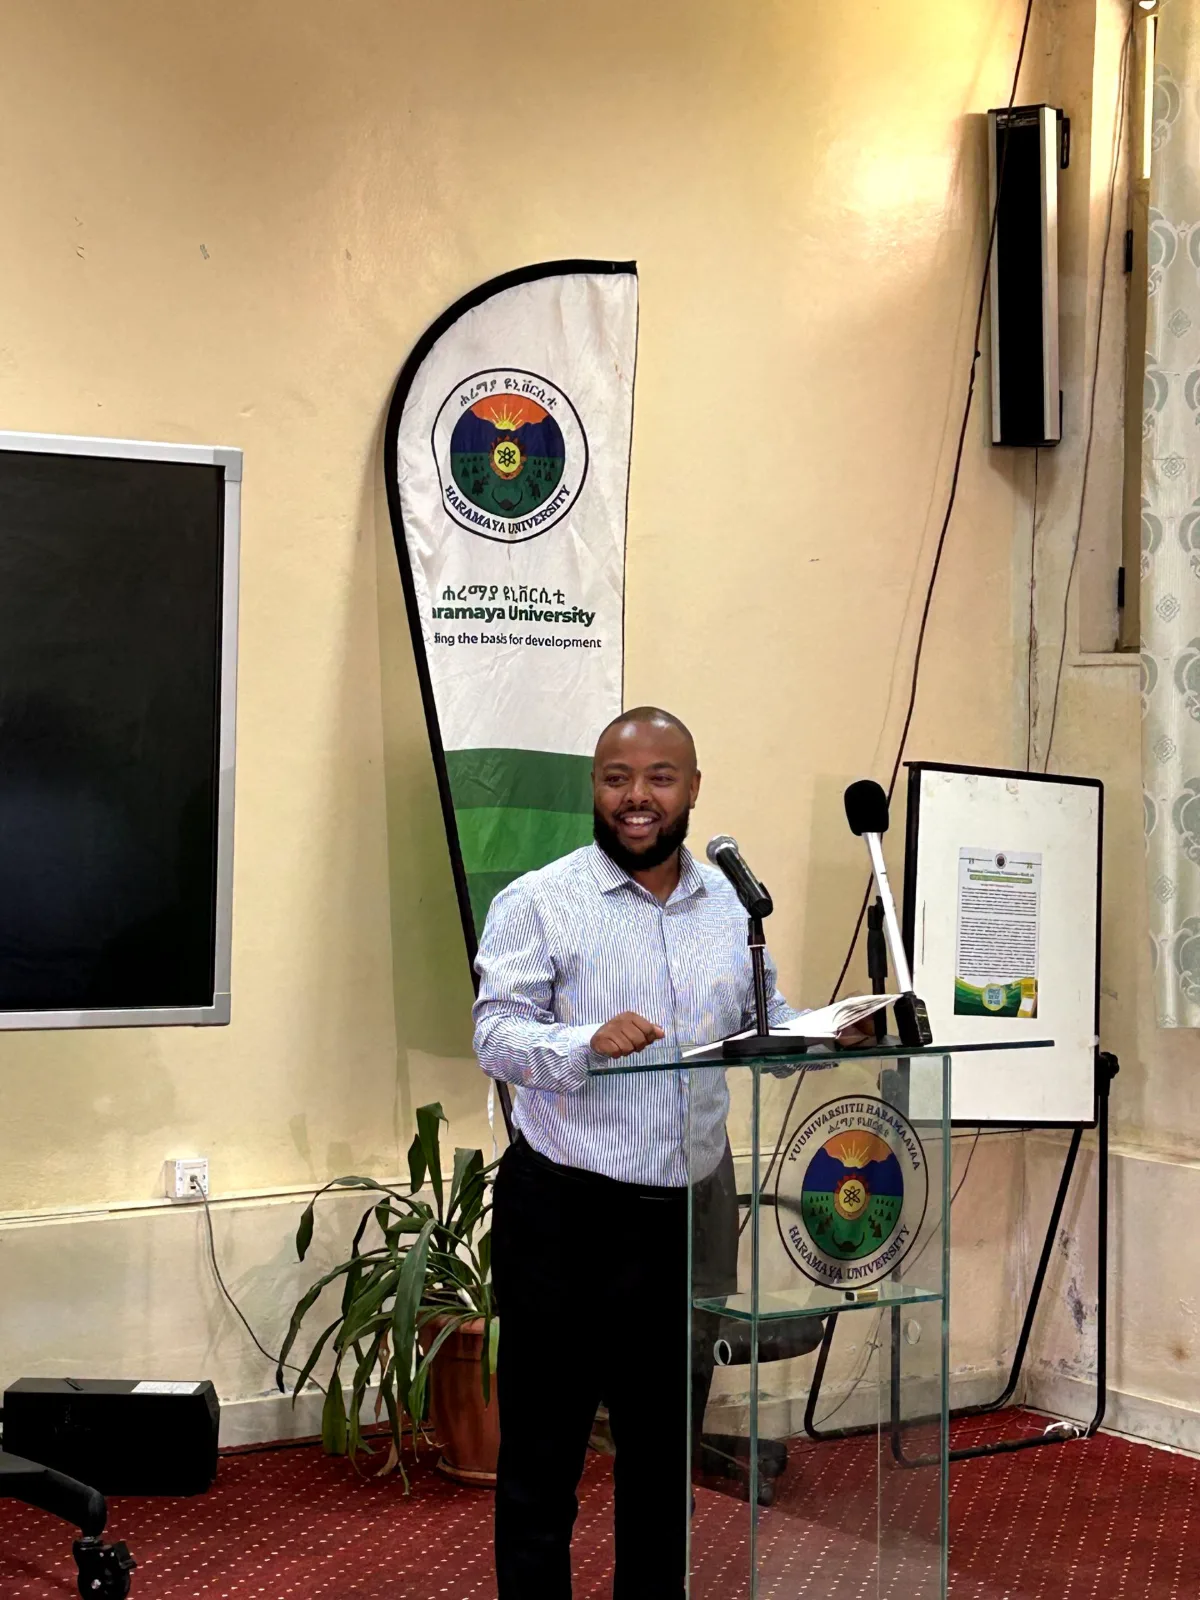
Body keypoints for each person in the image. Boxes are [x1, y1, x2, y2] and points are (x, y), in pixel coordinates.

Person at [473, 706, 861, 1598]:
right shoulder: (539, 901)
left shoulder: (728, 903)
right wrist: (582, 1042)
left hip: (684, 1213)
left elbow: (759, 1017)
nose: (636, 797)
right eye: (617, 779)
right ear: (595, 788)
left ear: (692, 788)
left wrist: (830, 1030)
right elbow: (494, 1035)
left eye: (659, 778)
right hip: (566, 1212)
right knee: (544, 1458)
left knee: (660, 1458)